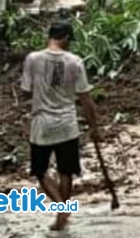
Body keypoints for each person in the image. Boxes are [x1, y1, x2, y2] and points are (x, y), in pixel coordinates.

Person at [20, 20, 99, 231]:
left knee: (40, 171)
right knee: (66, 172)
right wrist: (94, 127)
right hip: (67, 124)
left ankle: (60, 210)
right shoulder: (75, 62)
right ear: (66, 38)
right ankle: (63, 210)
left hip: (42, 125)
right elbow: (86, 99)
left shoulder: (33, 59)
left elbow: (26, 90)